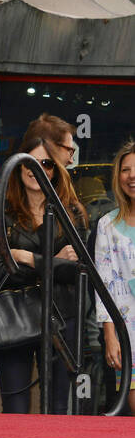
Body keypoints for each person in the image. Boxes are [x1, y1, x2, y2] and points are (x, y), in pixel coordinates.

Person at [0, 135, 90, 414]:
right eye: (29, 163)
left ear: (55, 169)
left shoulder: (71, 213)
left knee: (57, 406)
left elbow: (78, 271)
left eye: (45, 163)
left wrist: (29, 258)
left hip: (62, 313)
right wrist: (55, 262)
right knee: (16, 406)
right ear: (18, 167)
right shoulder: (1, 211)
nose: (36, 170)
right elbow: (4, 269)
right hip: (15, 315)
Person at [95, 140, 135, 414]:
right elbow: (103, 285)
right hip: (128, 334)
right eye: (126, 170)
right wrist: (110, 337)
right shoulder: (107, 224)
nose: (132, 176)